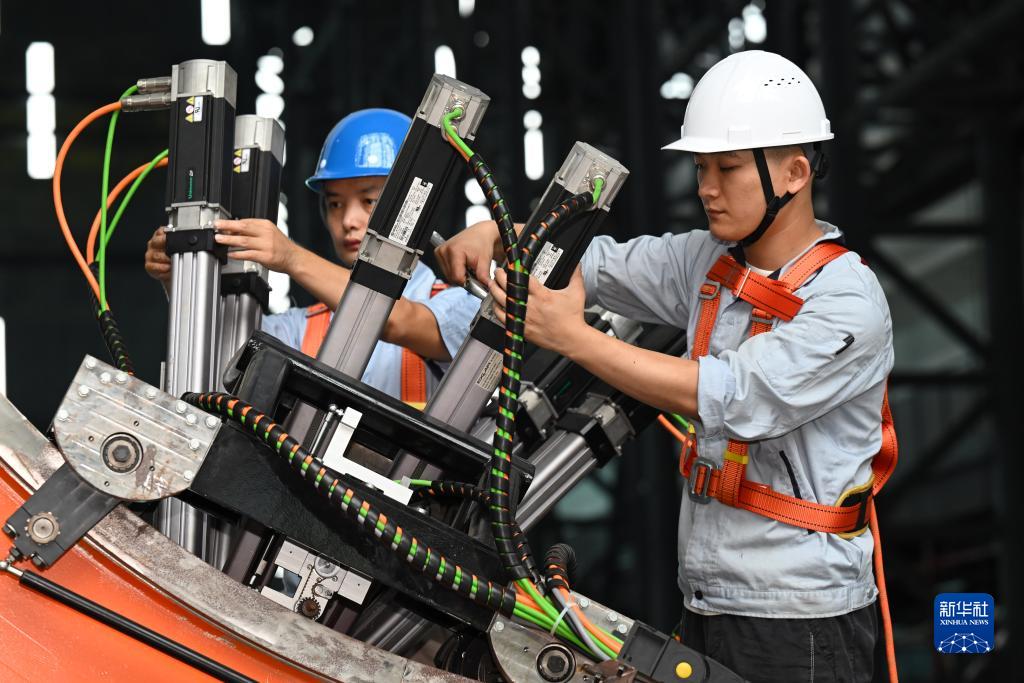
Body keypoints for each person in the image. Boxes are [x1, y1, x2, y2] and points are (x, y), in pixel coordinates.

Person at [437, 51, 894, 682]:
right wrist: (498, 234)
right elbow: (597, 264)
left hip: (800, 618)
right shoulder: (710, 262)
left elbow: (734, 396)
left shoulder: (847, 303)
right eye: (701, 167)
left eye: (727, 167)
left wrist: (573, 338)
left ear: (794, 173)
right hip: (710, 600)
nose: (706, 187)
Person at [145, 108, 479, 405]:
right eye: (335, 204)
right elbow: (218, 358)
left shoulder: (462, 308)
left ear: (415, 207)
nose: (348, 220)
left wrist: (290, 257)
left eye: (369, 201)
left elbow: (396, 320)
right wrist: (180, 277)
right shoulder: (301, 329)